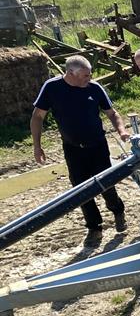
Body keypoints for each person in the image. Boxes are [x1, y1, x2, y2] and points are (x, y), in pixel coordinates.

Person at [31, 55, 131, 244]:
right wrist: (37, 146)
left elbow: (112, 113)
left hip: (98, 146)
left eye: (90, 74)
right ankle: (94, 227)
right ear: (71, 73)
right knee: (80, 190)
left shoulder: (95, 88)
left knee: (106, 184)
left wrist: (121, 130)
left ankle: (118, 211)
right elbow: (37, 117)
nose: (89, 78)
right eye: (85, 75)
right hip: (73, 149)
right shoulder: (52, 88)